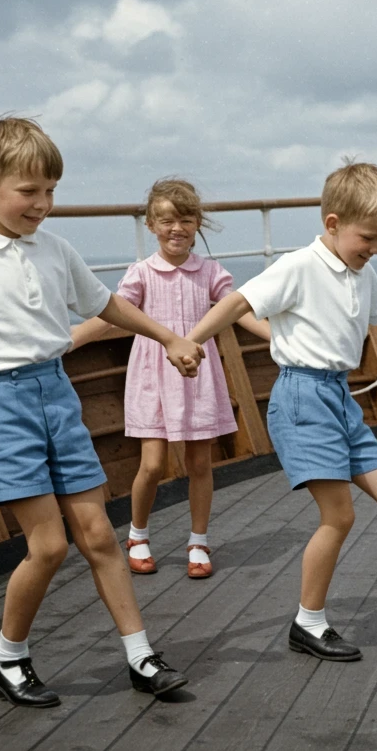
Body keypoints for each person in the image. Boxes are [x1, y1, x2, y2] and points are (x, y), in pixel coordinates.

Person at [0, 117, 199, 707]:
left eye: (50, 191)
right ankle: (8, 656)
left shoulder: (55, 249)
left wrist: (167, 337)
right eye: (28, 191)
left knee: (99, 532)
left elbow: (107, 305)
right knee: (48, 546)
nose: (42, 204)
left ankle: (140, 655)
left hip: (56, 392)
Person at [183, 161, 377, 661]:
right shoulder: (299, 266)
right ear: (332, 224)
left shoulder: (360, 272)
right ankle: (308, 623)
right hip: (303, 399)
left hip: (338, 399)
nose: (374, 249)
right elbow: (238, 303)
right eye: (367, 238)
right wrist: (191, 341)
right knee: (339, 515)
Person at [71, 177, 270, 579]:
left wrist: (280, 339)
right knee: (152, 464)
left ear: (198, 223)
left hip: (198, 374)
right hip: (152, 376)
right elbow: (113, 314)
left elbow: (239, 311)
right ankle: (138, 534)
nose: (175, 228)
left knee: (200, 462)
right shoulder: (141, 273)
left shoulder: (211, 272)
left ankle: (198, 540)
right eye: (165, 221)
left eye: (185, 219)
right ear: (150, 225)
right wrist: (69, 340)